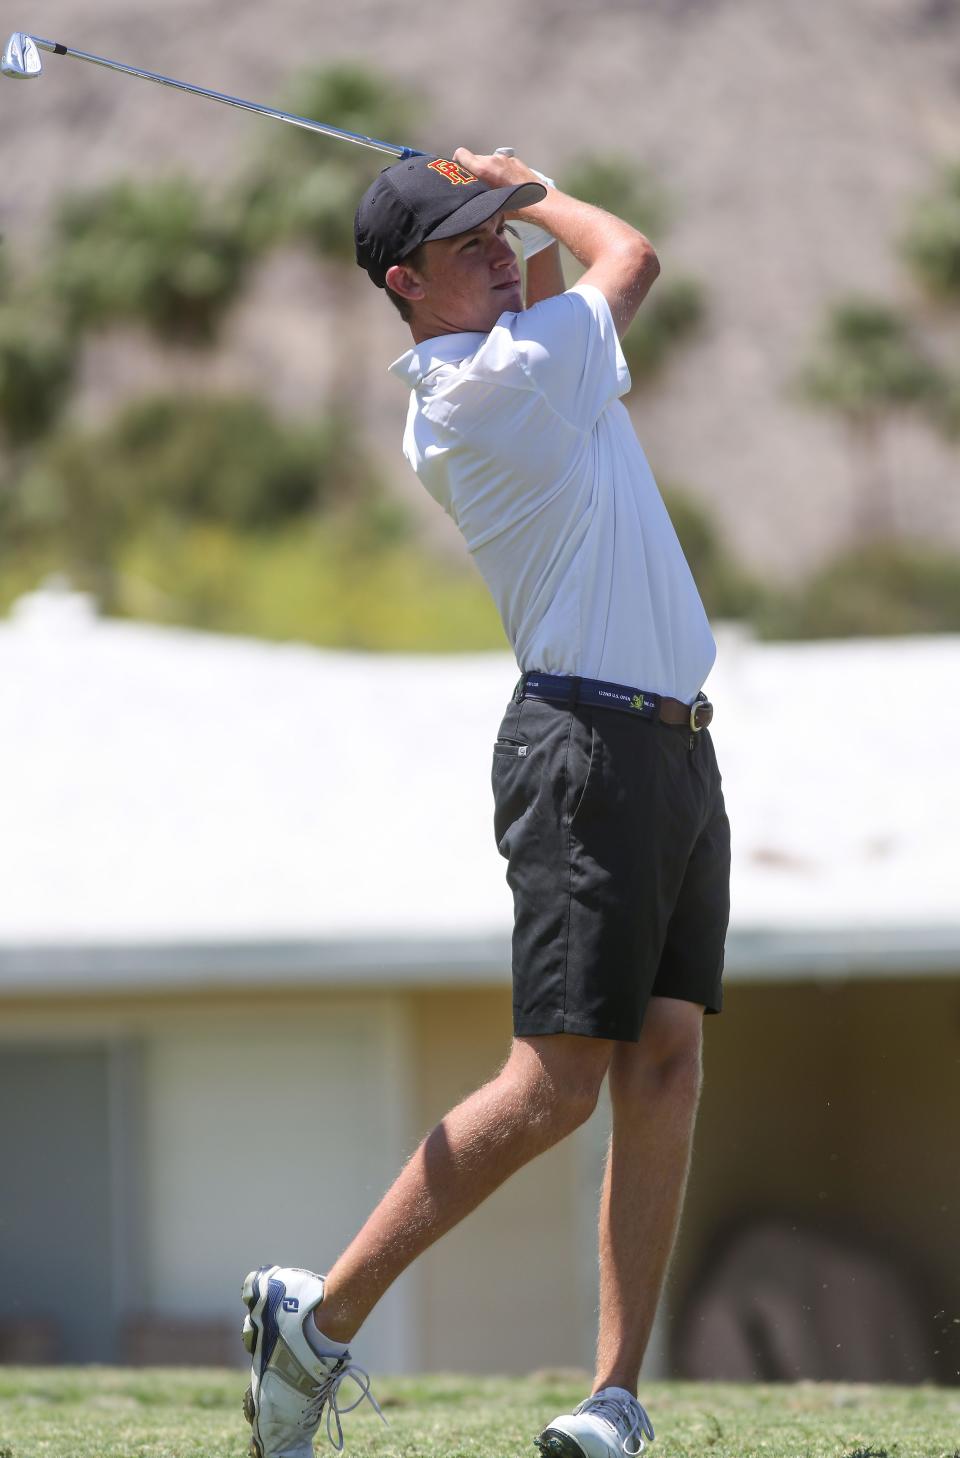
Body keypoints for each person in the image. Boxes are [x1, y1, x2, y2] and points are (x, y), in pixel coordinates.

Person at [240, 149, 730, 1458]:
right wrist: (532, 182)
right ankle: (321, 1321)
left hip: (678, 747)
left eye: (500, 234)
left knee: (666, 1063)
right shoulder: (486, 389)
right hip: (585, 750)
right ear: (407, 284)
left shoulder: (529, 359)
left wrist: (500, 208)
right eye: (471, 244)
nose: (504, 252)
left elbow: (572, 288)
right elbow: (630, 255)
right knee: (557, 1084)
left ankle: (612, 1397)